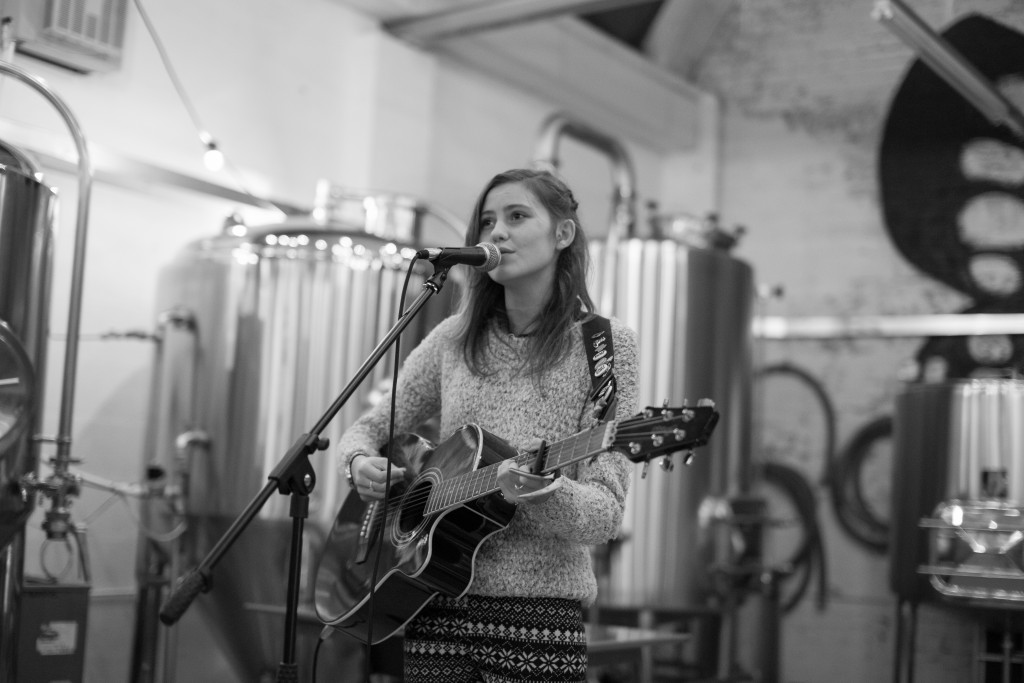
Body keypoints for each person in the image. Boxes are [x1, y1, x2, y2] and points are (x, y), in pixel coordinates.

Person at [339, 167, 640, 682]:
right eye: (487, 221)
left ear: (563, 234)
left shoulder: (607, 349)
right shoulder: (452, 339)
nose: (495, 233)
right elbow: (370, 426)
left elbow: (605, 515)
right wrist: (358, 462)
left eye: (517, 216)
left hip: (538, 619)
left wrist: (542, 493)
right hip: (431, 603)